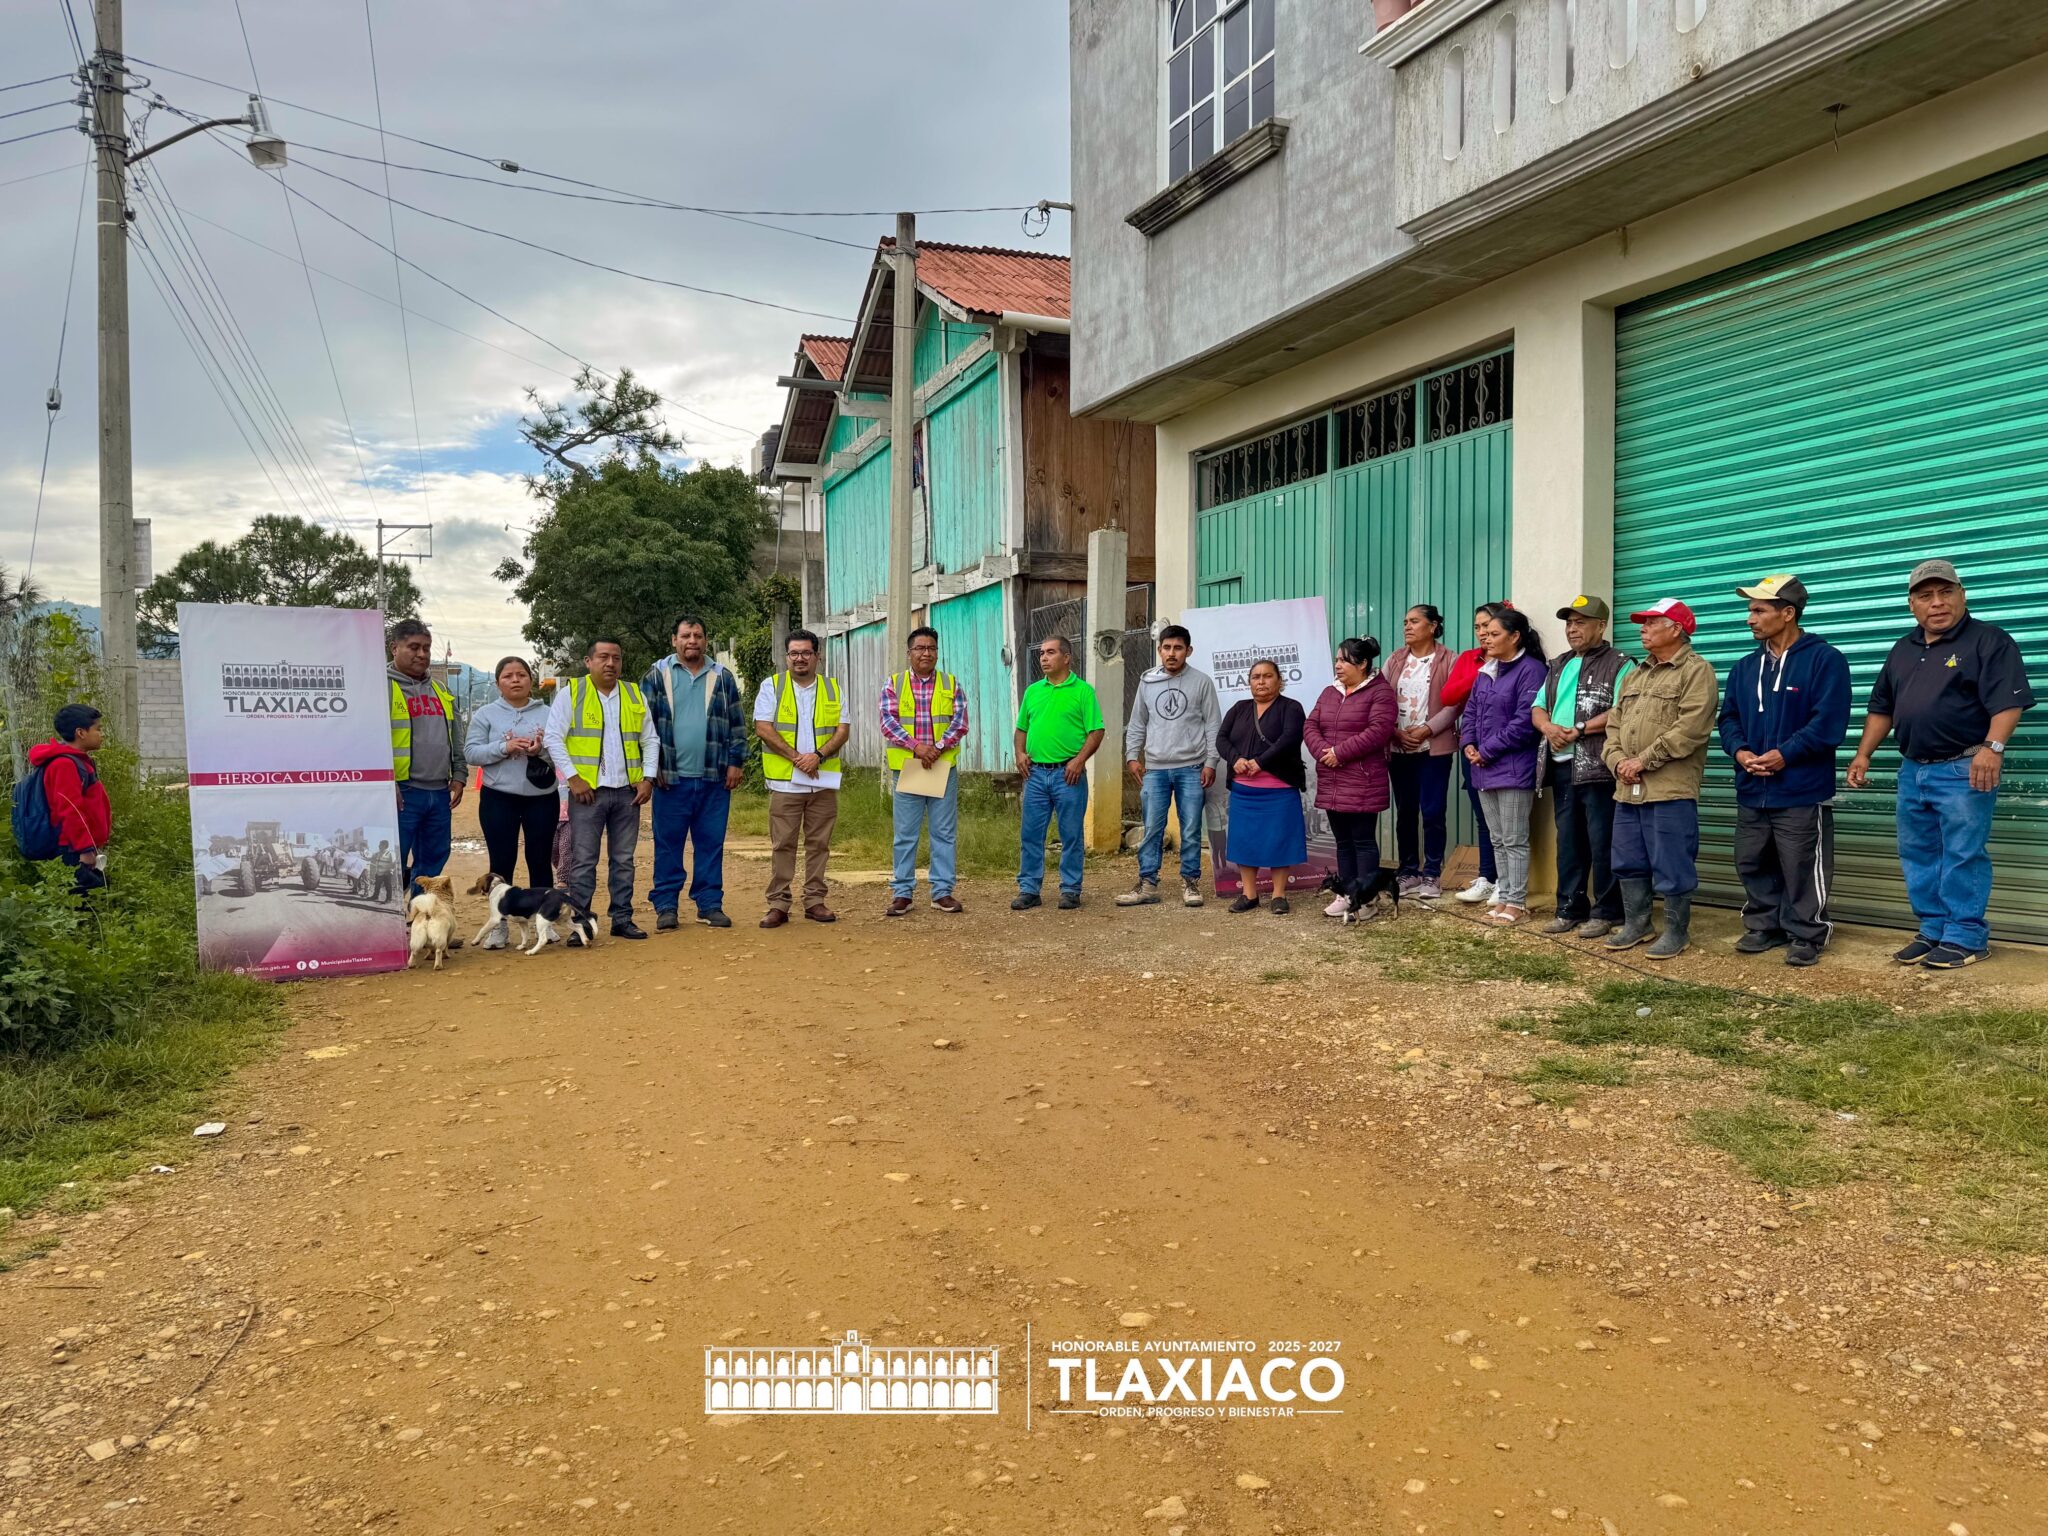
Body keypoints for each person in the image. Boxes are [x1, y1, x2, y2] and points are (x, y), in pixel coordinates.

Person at [1847, 559, 2035, 968]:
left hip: (1963, 767)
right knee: (1918, 852)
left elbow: (2008, 703)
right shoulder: (1903, 648)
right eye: (1926, 596)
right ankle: (1933, 928)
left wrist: (1993, 748)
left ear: (1962, 595)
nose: (1938, 603)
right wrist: (1863, 754)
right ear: (1912, 604)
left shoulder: (1989, 641)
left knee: (1963, 853)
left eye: (1946, 592)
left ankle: (1967, 935)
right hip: (1914, 768)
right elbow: (1883, 708)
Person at [1717, 575, 1853, 968]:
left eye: (1759, 610)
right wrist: (1740, 751)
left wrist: (1784, 755)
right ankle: (1764, 924)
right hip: (1751, 785)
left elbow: (1828, 723)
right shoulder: (1744, 668)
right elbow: (1729, 719)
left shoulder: (1825, 660)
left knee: (1801, 864)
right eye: (1750, 610)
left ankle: (1806, 932)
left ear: (1788, 613)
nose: (1750, 619)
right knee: (1751, 859)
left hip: (1800, 787)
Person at [1603, 598, 1718, 960]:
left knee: (1672, 863)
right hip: (1627, 788)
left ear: (1677, 629)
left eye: (1653, 622)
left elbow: (1692, 729)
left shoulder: (1696, 672)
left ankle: (1675, 932)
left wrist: (1644, 760)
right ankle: (1638, 924)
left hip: (1669, 789)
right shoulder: (1637, 673)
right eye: (1644, 623)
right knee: (1627, 859)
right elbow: (1613, 724)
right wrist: (1619, 760)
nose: (1643, 628)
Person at [544, 637, 659, 941]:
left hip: (627, 793)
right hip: (588, 793)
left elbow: (650, 739)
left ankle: (622, 919)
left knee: (623, 860)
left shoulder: (634, 695)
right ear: (588, 661)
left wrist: (648, 778)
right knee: (584, 862)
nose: (611, 663)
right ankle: (580, 924)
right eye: (604, 657)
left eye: (616, 658)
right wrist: (573, 778)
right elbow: (553, 738)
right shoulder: (572, 694)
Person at [1533, 596, 1634, 938]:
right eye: (1569, 623)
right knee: (1569, 841)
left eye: (1581, 622)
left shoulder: (1620, 663)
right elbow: (1538, 707)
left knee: (1603, 840)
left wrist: (1578, 730)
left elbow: (1622, 711)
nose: (1572, 629)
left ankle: (1607, 911)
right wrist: (1548, 728)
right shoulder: (1558, 663)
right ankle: (1569, 908)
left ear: (1601, 626)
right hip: (1561, 766)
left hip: (1598, 768)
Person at [645, 616, 748, 931]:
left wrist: (736, 762)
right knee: (668, 844)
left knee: (711, 842)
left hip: (714, 777)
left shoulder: (722, 677)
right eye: (686, 635)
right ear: (673, 640)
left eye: (698, 635)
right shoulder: (656, 676)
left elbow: (736, 724)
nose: (692, 640)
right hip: (669, 779)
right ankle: (666, 906)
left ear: (705, 641)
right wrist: (652, 768)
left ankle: (709, 904)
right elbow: (642, 726)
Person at [1119, 623, 1223, 910]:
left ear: (1188, 651)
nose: (1172, 653)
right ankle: (1148, 883)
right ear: (1159, 650)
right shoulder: (1147, 682)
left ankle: (1190, 883)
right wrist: (1131, 755)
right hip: (1155, 769)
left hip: (1192, 767)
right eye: (1167, 648)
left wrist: (1211, 761)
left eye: (1178, 648)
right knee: (1152, 828)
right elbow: (1138, 721)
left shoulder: (1201, 682)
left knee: (1190, 829)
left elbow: (1213, 725)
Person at [754, 630, 850, 928]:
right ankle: (779, 903)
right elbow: (763, 728)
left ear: (817, 656)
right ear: (786, 657)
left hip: (822, 780)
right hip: (786, 781)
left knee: (819, 843)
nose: (800, 659)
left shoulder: (833, 689)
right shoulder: (772, 686)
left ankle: (815, 900)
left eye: (806, 653)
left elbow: (843, 729)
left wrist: (817, 756)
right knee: (783, 843)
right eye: (794, 653)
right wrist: (798, 758)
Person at [1460, 608, 1549, 925]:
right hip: (1482, 767)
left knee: (1514, 839)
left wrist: (1487, 750)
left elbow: (1525, 722)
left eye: (1494, 633)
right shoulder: (1488, 670)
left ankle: (1517, 902)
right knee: (1497, 838)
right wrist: (1468, 744)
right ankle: (1504, 895)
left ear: (1515, 637)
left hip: (1512, 768)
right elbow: (1470, 713)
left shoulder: (1532, 670)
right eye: (1485, 633)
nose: (1486, 637)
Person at [465, 658, 558, 944]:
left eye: (521, 674)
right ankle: (500, 926)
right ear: (498, 683)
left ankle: (546, 920)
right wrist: (503, 747)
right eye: (508, 676)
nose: (515, 680)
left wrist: (541, 751)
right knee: (502, 861)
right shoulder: (486, 714)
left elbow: (564, 753)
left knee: (539, 861)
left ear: (531, 680)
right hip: (498, 798)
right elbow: (471, 753)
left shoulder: (550, 713)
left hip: (542, 797)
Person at [880, 625, 971, 917]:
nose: (926, 653)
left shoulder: (951, 683)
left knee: (943, 832)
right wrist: (917, 747)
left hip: (942, 766)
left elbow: (960, 721)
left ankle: (942, 892)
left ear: (937, 652)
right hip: (909, 766)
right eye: (920, 648)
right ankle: (902, 893)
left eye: (931, 648)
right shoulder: (894, 684)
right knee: (905, 834)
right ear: (909, 653)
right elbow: (888, 721)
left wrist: (938, 747)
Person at [1304, 636, 1397, 918]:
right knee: (1342, 841)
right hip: (1332, 778)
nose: (1338, 665)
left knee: (1363, 840)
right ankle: (1347, 894)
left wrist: (1340, 753)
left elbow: (1379, 730)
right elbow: (1311, 724)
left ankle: (1367, 900)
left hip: (1363, 779)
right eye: (1337, 660)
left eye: (1344, 660)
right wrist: (1323, 751)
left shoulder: (1380, 692)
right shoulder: (1329, 692)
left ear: (1363, 663)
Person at [1012, 635, 1106, 911]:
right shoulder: (1033, 692)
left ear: (1066, 657)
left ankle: (1070, 889)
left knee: (1071, 834)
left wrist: (1079, 761)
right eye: (1041, 653)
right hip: (1036, 774)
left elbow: (1097, 731)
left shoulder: (1083, 691)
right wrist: (1019, 753)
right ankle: (1029, 889)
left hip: (1069, 774)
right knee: (1031, 833)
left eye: (1050, 652)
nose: (1043, 657)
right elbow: (1021, 729)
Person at [1215, 658, 1308, 914]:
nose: (1261, 681)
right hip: (1245, 793)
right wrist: (1236, 759)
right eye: (1256, 677)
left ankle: (1278, 896)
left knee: (1280, 841)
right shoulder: (1239, 708)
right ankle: (1249, 894)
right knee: (1246, 843)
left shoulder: (1291, 708)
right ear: (1249, 682)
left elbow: (1289, 739)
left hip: (1279, 791)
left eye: (1267, 676)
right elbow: (1221, 739)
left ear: (1279, 680)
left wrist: (1260, 762)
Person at [1384, 604, 1457, 900]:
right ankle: (1408, 870)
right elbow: (1381, 699)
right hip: (1399, 747)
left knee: (1433, 811)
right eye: (1405, 622)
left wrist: (1427, 729)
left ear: (1433, 626)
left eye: (1414, 621)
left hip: (1433, 748)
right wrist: (1395, 732)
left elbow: (1455, 703)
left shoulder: (1448, 659)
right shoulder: (1395, 659)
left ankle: (1432, 873)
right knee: (1405, 811)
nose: (1407, 627)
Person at [387, 618, 465, 894]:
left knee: (433, 860)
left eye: (427, 648)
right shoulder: (379, 688)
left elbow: (455, 735)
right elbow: (369, 740)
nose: (422, 654)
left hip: (438, 792)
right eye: (414, 647)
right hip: (402, 793)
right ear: (394, 648)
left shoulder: (441, 690)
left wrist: (459, 774)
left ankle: (420, 921)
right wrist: (387, 783)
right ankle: (392, 929)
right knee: (391, 862)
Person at [1443, 603, 1507, 905]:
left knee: (1509, 823)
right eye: (1478, 627)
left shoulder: (1523, 662)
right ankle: (1487, 876)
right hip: (1472, 749)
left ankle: (1507, 883)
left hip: (1506, 752)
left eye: (1489, 627)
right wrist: (1483, 669)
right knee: (1484, 819)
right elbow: (1449, 696)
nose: (1483, 633)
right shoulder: (1471, 659)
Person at [23, 704, 111, 895]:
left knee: (96, 898)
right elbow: (71, 810)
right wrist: (85, 850)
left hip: (79, 847)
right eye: (98, 729)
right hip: (71, 850)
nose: (101, 734)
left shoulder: (77, 761)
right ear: (80, 732)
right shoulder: (65, 765)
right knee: (84, 905)